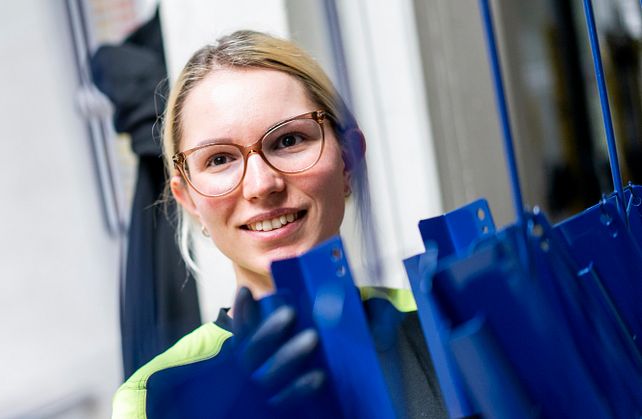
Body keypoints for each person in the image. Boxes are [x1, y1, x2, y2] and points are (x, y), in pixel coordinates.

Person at [111, 30, 446, 419]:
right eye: (219, 159)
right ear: (189, 201)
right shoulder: (153, 397)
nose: (262, 184)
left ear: (349, 161)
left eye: (288, 140)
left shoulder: (440, 314)